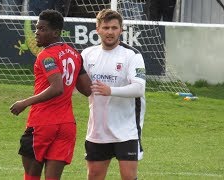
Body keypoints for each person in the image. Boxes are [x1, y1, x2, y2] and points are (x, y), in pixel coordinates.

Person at [10, 9, 92, 180]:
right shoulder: (75, 54)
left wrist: (25, 102)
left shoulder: (46, 56)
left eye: (42, 29)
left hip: (42, 124)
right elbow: (87, 90)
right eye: (36, 28)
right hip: (66, 126)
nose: (36, 33)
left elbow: (57, 88)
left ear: (55, 33)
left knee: (31, 176)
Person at [81, 9, 146, 180]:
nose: (110, 32)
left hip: (126, 129)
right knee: (94, 176)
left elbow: (139, 89)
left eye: (114, 28)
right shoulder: (87, 55)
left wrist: (110, 90)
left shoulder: (132, 55)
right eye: (106, 27)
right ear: (98, 29)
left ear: (121, 30)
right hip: (98, 129)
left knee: (128, 176)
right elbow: (78, 85)